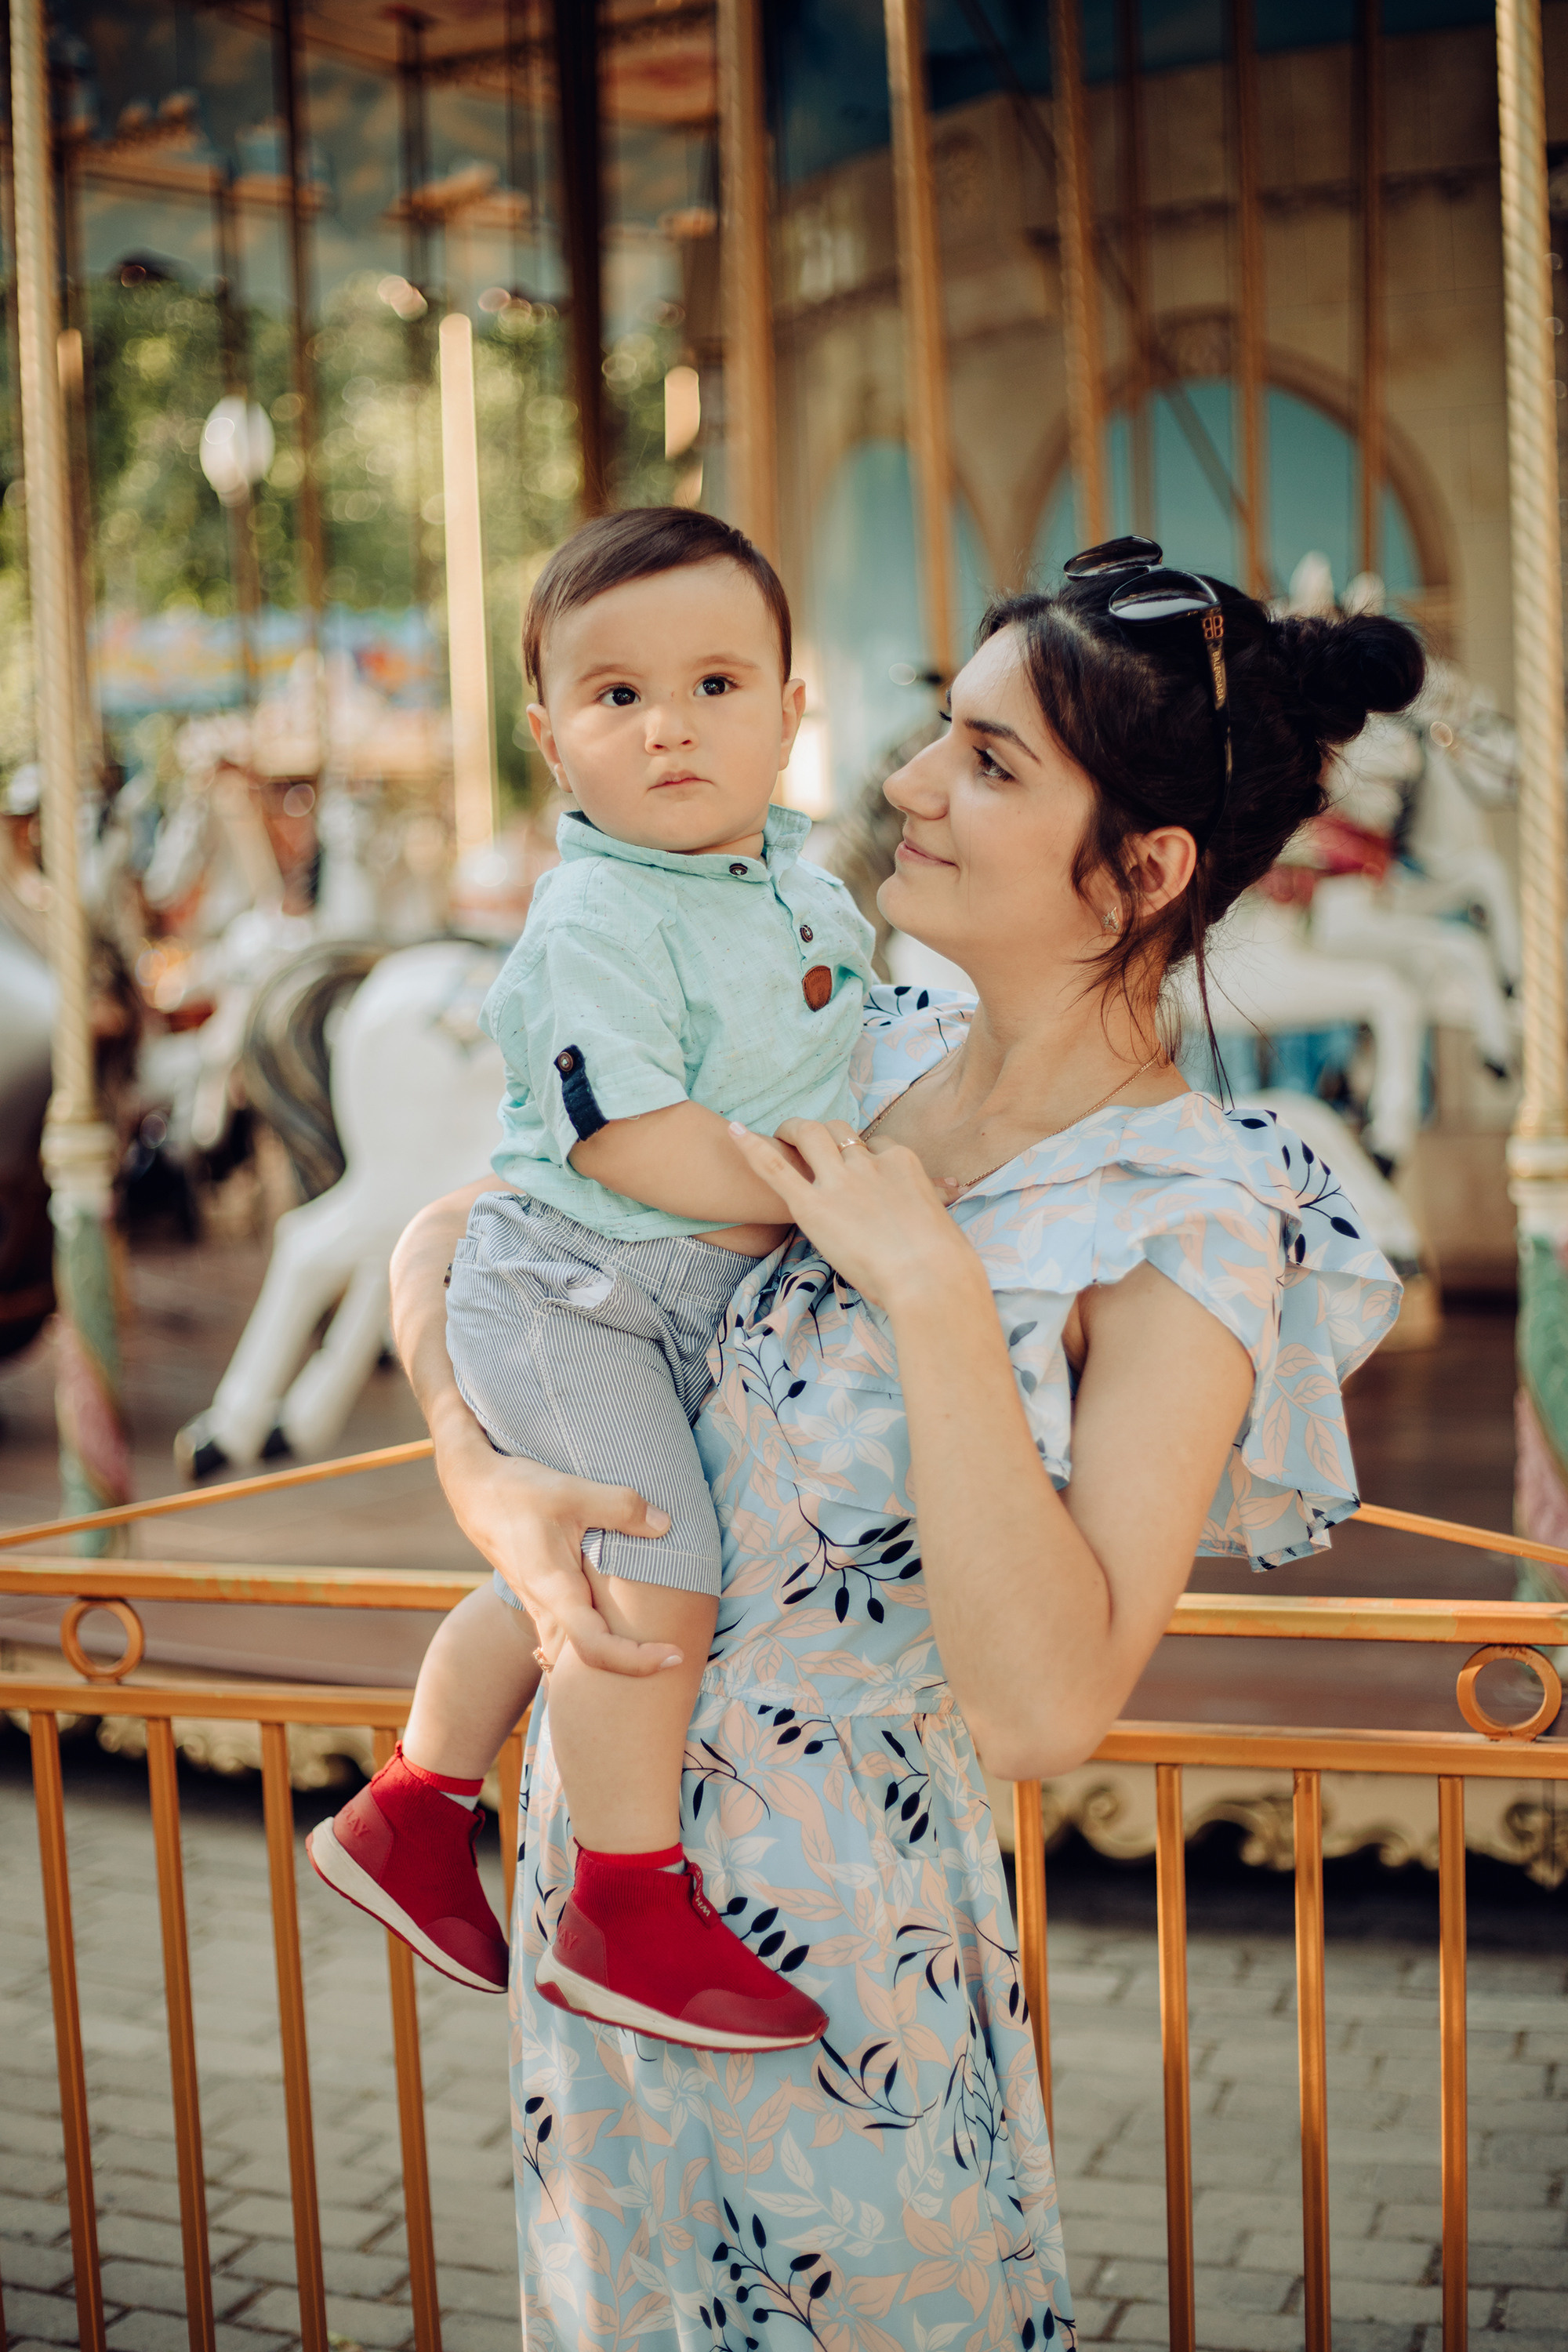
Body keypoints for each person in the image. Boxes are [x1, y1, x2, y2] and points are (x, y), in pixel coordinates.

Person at [391, 537, 1422, 2345]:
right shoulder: (855, 1042)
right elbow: (462, 1231)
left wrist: (936, 1297)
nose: (903, 782)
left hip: (837, 1962)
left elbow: (1045, 1710)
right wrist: (486, 1481)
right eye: (943, 727)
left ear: (1146, 868)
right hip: (607, 1904)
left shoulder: (1185, 1215)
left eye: (990, 761)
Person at [309, 510, 876, 2048]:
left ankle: (413, 1810)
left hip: (669, 1305)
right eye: (617, 698)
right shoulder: (598, 914)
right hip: (579, 1288)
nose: (670, 726)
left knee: (567, 1573)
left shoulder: (810, 899)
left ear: (788, 709)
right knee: (650, 1567)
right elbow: (627, 1139)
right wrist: (841, 1199)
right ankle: (625, 1905)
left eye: (714, 682)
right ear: (551, 738)